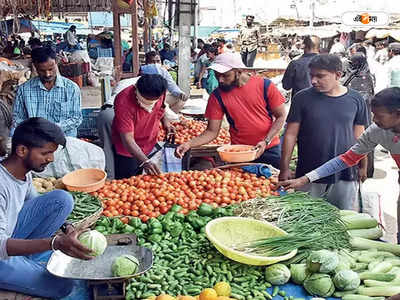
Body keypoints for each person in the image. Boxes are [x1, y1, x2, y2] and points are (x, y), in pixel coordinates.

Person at [279, 87, 400, 240]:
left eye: (379, 116)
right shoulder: (377, 131)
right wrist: (305, 179)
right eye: (373, 114)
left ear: (397, 113)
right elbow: (345, 159)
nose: (374, 120)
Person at [0, 117, 92, 298]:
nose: (51, 159)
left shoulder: (22, 173)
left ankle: (25, 261)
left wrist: (67, 226)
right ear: (22, 150)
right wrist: (54, 243)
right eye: (45, 153)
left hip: (8, 236)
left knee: (61, 200)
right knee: (63, 287)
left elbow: (35, 205)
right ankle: (21, 265)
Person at [280, 54, 368, 210]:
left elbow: (360, 137)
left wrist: (363, 165)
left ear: (338, 75)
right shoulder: (302, 98)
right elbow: (290, 134)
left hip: (345, 173)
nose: (313, 81)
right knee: (307, 218)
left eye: (320, 76)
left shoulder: (356, 99)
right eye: (312, 76)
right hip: (308, 172)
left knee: (343, 217)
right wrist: (284, 167)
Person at [176, 52, 287, 169]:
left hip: (269, 149)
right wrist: (188, 144)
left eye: (225, 75)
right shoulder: (217, 96)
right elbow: (211, 132)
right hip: (238, 152)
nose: (220, 80)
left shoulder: (265, 86)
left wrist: (266, 141)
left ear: (239, 72)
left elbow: (281, 116)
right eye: (217, 75)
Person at [112, 74, 174, 179]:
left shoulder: (159, 91)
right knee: (127, 182)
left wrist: (166, 122)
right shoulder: (123, 101)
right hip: (128, 149)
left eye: (152, 101)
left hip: (149, 142)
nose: (149, 105)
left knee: (145, 180)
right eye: (145, 100)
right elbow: (128, 140)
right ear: (137, 88)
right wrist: (145, 161)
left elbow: (161, 107)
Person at [13, 47, 82, 137]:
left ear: (56, 63)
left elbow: (76, 118)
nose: (47, 74)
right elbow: (17, 118)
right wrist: (32, 130)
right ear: (35, 67)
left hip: (64, 140)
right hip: (35, 140)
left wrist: (51, 129)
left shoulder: (71, 88)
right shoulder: (24, 89)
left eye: (51, 69)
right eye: (42, 70)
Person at [343, 52, 375, 177]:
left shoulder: (358, 78)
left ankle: (364, 170)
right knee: (365, 142)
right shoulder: (367, 76)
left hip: (359, 116)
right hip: (365, 115)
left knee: (362, 142)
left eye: (353, 63)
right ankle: (363, 169)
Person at [282, 35, 320, 100]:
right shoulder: (327, 63)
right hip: (321, 102)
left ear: (304, 46)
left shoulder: (295, 64)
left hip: (300, 102)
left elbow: (286, 86)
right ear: (319, 47)